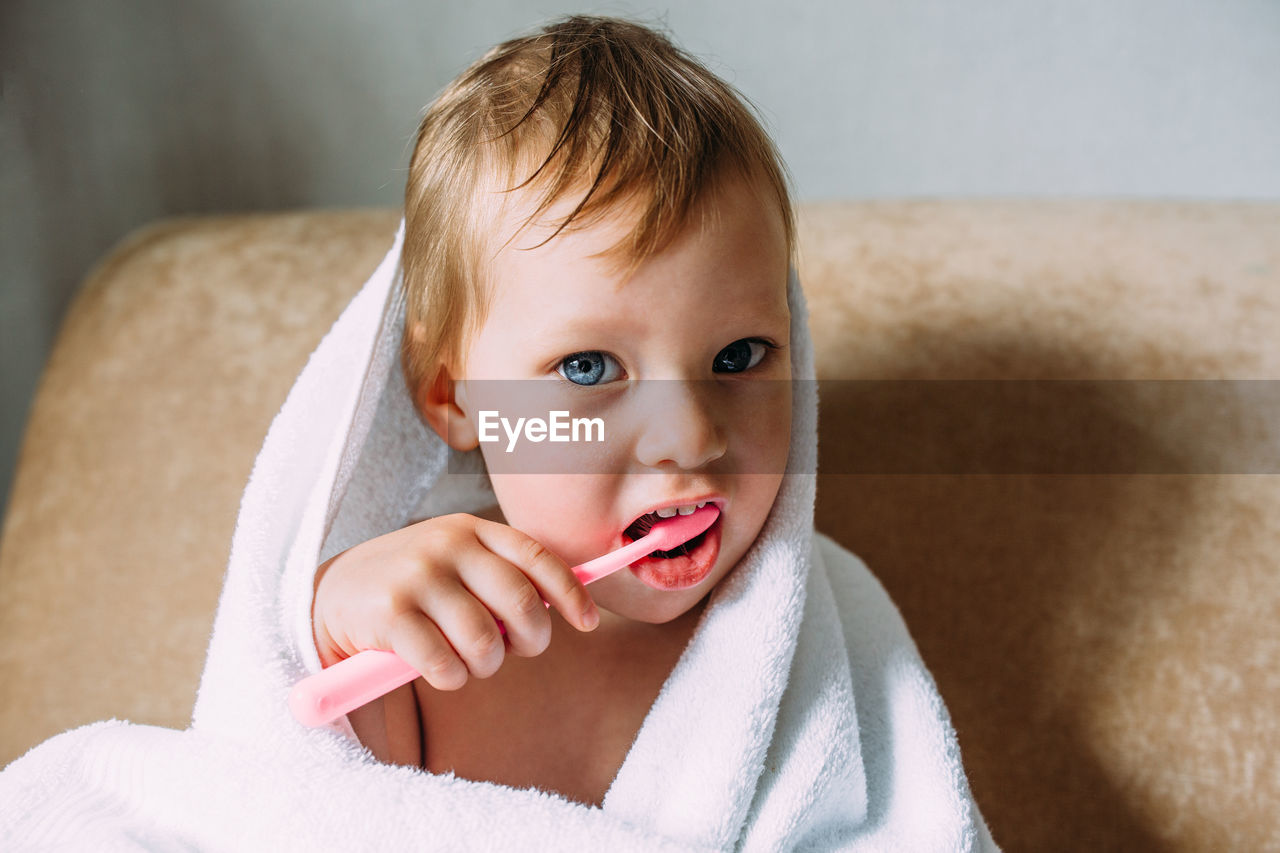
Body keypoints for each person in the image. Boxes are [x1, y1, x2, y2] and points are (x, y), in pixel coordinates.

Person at [311, 15, 797, 807]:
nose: (690, 437)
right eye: (588, 366)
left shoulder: (809, 640)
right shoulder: (414, 644)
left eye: (738, 357)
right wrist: (328, 619)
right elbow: (287, 796)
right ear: (452, 396)